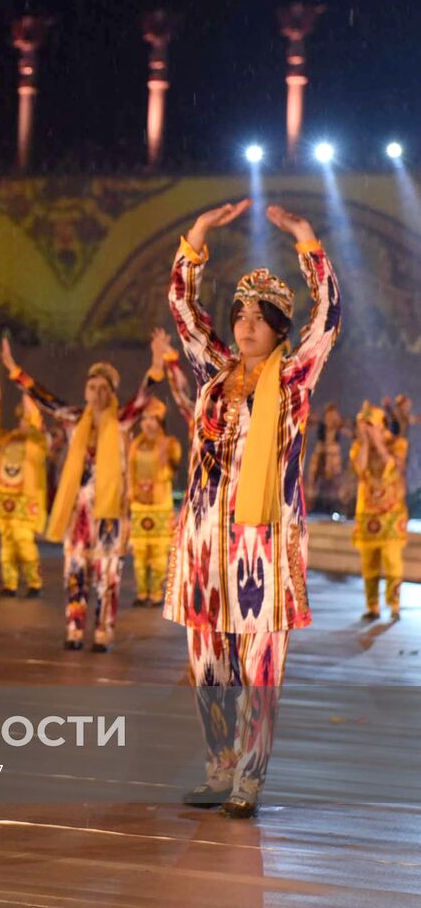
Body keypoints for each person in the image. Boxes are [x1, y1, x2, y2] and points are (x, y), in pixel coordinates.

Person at [166, 200, 340, 818]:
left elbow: (329, 317)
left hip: (262, 542)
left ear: (277, 327)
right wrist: (199, 233)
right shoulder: (214, 373)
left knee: (260, 664)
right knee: (210, 662)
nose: (243, 325)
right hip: (205, 542)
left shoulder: (293, 379)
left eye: (257, 317)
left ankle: (251, 777)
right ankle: (219, 768)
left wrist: (307, 241)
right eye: (238, 314)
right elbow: (184, 311)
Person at [1, 335, 164, 652]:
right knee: (75, 571)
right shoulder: (75, 418)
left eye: (104, 388)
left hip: (108, 512)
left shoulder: (121, 421)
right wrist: (14, 369)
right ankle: (74, 628)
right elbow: (45, 398)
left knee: (107, 575)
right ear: (86, 391)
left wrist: (156, 365)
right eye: (92, 388)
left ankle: (103, 632)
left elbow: (143, 396)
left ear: (113, 392)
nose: (98, 394)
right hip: (78, 513)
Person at [0, 379, 49, 597]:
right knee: (7, 543)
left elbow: (38, 430)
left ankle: (35, 582)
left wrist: (31, 403)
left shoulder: (39, 442)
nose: (24, 423)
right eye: (22, 418)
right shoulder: (8, 439)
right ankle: (10, 583)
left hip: (25, 501)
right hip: (5, 499)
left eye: (28, 418)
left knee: (24, 542)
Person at [352, 402, 409, 621]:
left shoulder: (398, 444)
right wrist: (366, 442)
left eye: (370, 424)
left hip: (392, 514)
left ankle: (394, 604)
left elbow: (391, 466)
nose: (365, 429)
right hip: (367, 514)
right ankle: (372, 605)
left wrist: (377, 439)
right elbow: (360, 468)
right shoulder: (358, 447)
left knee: (393, 561)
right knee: (369, 562)